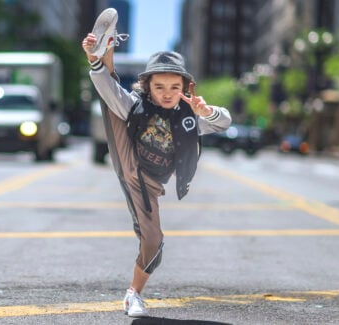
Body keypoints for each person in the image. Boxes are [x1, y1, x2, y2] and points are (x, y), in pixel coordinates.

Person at [82, 8, 232, 318]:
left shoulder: (189, 117)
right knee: (116, 106)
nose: (167, 94)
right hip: (129, 160)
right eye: (159, 87)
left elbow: (224, 123)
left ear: (185, 89)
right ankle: (102, 53)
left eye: (174, 88)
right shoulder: (137, 105)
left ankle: (133, 293)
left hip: (151, 185)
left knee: (154, 242)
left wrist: (205, 112)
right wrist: (95, 62)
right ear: (148, 86)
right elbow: (111, 92)